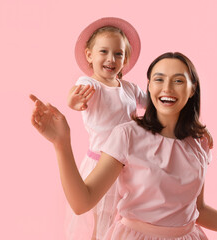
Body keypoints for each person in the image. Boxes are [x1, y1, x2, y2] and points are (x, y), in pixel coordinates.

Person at [30, 52, 217, 239]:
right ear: (149, 87)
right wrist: (62, 143)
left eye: (178, 80)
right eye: (159, 79)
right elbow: (83, 202)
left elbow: (196, 210)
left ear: (192, 89)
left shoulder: (199, 141)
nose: (167, 88)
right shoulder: (127, 135)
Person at [66, 17, 147, 240]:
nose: (111, 59)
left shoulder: (130, 88)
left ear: (125, 58)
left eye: (118, 54)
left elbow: (153, 103)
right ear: (89, 55)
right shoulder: (92, 84)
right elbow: (78, 92)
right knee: (98, 220)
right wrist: (75, 101)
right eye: (104, 52)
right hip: (101, 164)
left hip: (129, 165)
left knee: (122, 221)